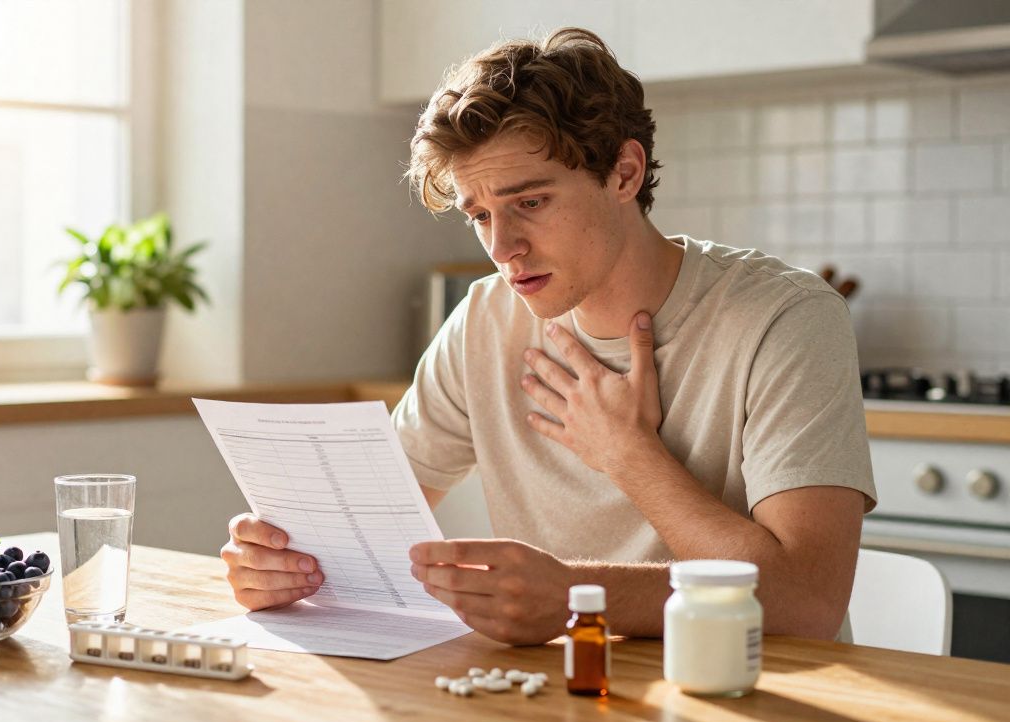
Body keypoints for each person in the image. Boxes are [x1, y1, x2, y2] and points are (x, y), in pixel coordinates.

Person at [220, 27, 876, 645]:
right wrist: (284, 566)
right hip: (558, 690)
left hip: (753, 689)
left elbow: (807, 601)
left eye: (530, 203)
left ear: (624, 173)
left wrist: (627, 459)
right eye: (480, 215)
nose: (502, 248)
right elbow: (359, 538)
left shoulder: (784, 318)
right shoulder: (484, 320)